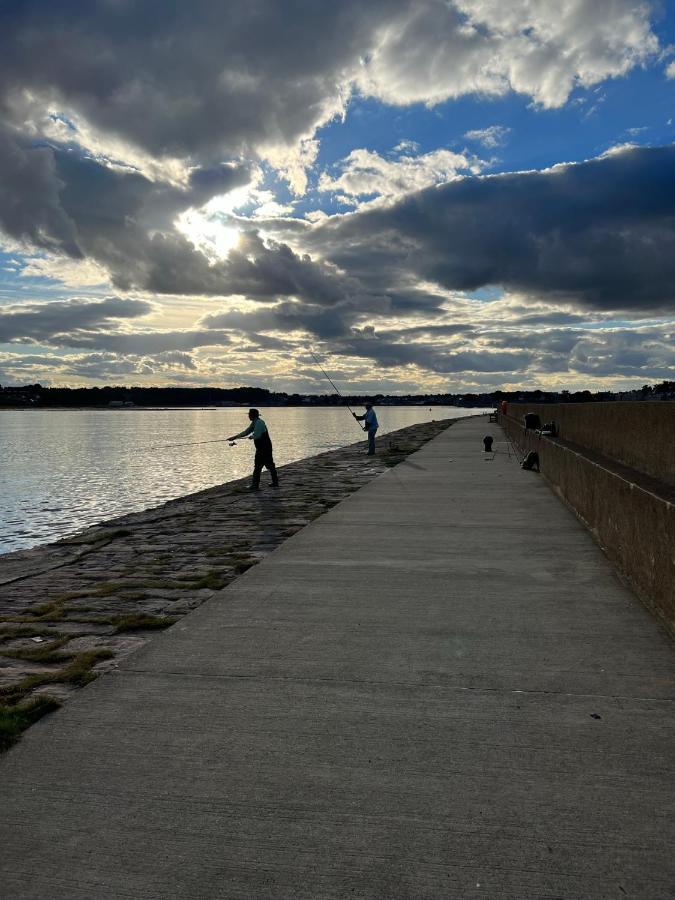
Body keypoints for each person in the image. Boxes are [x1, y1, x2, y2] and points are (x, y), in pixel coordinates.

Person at [227, 408, 278, 491]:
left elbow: (257, 435)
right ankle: (274, 482)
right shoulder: (255, 422)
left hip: (264, 448)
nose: (248, 416)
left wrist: (252, 437)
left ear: (252, 415)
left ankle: (255, 485)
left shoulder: (259, 423)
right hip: (263, 448)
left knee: (259, 466)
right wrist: (235, 437)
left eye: (249, 415)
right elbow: (246, 431)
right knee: (268, 465)